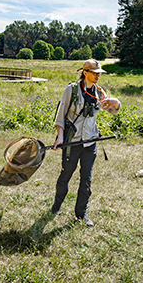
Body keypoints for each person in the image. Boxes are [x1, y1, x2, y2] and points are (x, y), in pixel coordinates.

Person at [51, 59, 121, 226]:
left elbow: (112, 110)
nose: (98, 76)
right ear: (85, 72)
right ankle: (56, 206)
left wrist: (116, 103)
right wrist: (60, 136)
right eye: (94, 73)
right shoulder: (72, 90)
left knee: (86, 179)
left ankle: (81, 213)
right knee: (65, 175)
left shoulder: (99, 93)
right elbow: (60, 116)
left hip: (90, 141)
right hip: (72, 141)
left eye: (99, 74)